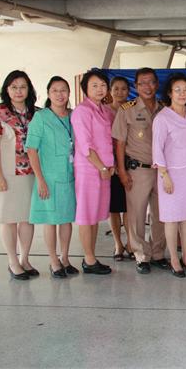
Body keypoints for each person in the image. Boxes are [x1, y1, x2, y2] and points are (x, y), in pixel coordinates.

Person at [112, 68, 169, 274]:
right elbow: (119, 143)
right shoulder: (126, 110)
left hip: (161, 171)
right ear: (136, 87)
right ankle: (141, 255)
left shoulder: (164, 109)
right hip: (138, 170)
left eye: (151, 82)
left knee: (160, 213)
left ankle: (158, 253)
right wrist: (122, 172)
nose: (147, 86)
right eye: (142, 83)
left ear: (157, 85)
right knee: (136, 214)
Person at [0, 70, 38, 280]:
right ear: (7, 90)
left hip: (30, 174)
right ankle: (12, 261)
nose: (18, 91)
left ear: (29, 90)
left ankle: (25, 259)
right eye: (14, 87)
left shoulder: (35, 113)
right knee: (9, 219)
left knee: (27, 219)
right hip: (7, 174)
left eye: (23, 87)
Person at [26, 76, 77, 278]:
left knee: (66, 219)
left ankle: (65, 258)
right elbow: (31, 150)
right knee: (51, 220)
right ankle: (53, 260)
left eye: (63, 90)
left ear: (69, 93)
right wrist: (40, 180)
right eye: (55, 90)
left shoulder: (73, 116)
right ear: (48, 94)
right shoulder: (41, 117)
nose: (59, 94)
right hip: (49, 177)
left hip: (70, 176)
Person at [152, 73, 186, 278]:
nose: (182, 94)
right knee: (172, 218)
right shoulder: (162, 118)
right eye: (178, 90)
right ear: (170, 93)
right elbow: (157, 149)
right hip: (170, 174)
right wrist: (165, 175)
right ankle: (174, 259)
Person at [71, 69, 115, 275]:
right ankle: (88, 259)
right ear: (85, 89)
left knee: (96, 214)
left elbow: (109, 140)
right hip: (89, 170)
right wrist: (102, 167)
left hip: (104, 171)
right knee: (86, 214)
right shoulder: (82, 111)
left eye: (103, 85)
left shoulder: (105, 110)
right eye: (94, 85)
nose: (99, 89)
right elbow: (85, 145)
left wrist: (110, 165)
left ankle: (92, 257)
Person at [106, 76, 132, 260]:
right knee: (114, 208)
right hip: (111, 166)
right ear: (110, 91)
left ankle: (131, 243)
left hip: (130, 163)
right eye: (116, 88)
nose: (120, 92)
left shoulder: (132, 110)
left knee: (129, 207)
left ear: (128, 91)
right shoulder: (104, 111)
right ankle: (118, 244)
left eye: (123, 89)